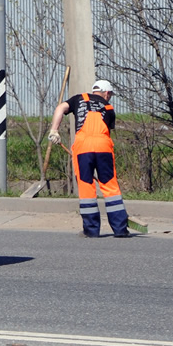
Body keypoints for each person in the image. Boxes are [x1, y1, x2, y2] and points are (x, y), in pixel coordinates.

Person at [49, 79, 132, 238]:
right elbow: (106, 130)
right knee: (110, 186)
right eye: (110, 95)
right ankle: (121, 229)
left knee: (86, 186)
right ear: (107, 93)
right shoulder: (109, 108)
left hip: (83, 147)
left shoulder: (79, 98)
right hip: (103, 146)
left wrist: (54, 130)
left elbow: (60, 108)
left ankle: (91, 230)